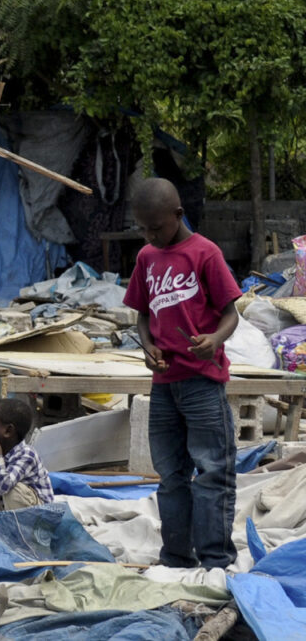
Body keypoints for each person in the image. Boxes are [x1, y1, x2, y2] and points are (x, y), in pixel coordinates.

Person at [123, 177, 241, 569]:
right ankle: (176, 557)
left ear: (178, 214)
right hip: (164, 387)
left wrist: (213, 339)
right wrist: (148, 348)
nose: (149, 235)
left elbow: (230, 314)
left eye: (155, 227)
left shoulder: (205, 253)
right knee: (171, 476)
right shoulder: (146, 258)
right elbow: (143, 315)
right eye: (142, 228)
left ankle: (215, 561)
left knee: (212, 473)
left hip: (203, 383)